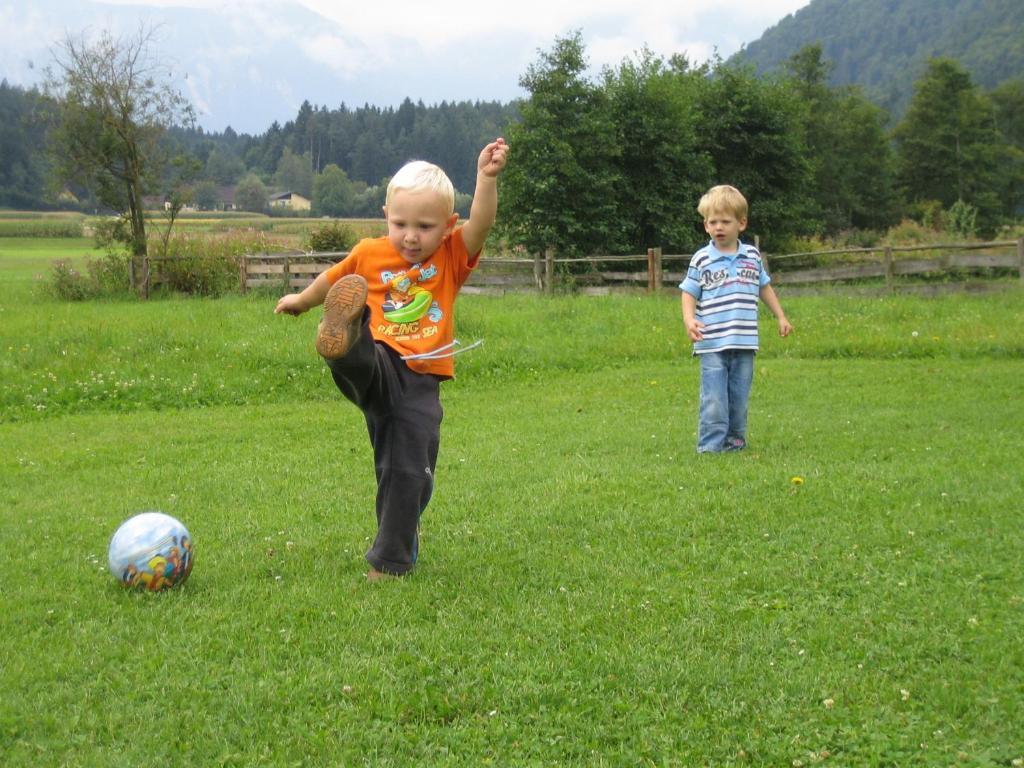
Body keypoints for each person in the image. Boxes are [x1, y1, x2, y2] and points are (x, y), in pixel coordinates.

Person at [275, 138, 509, 579]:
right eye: (400, 223)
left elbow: (481, 224)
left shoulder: (452, 254)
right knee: (362, 352)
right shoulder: (369, 253)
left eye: (424, 226)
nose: (411, 236)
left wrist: (486, 178)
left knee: (406, 473)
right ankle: (344, 339)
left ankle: (403, 533)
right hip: (381, 362)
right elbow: (331, 279)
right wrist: (303, 301)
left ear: (447, 225)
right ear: (386, 216)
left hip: (420, 379)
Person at [679, 184, 793, 453]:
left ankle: (735, 443)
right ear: (705, 225)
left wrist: (780, 316)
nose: (718, 227)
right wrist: (688, 319)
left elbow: (763, 287)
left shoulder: (752, 256)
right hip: (712, 343)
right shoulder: (702, 259)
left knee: (739, 397)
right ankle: (710, 447)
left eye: (725, 221)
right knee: (714, 398)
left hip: (744, 343)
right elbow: (688, 292)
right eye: (712, 222)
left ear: (741, 223)